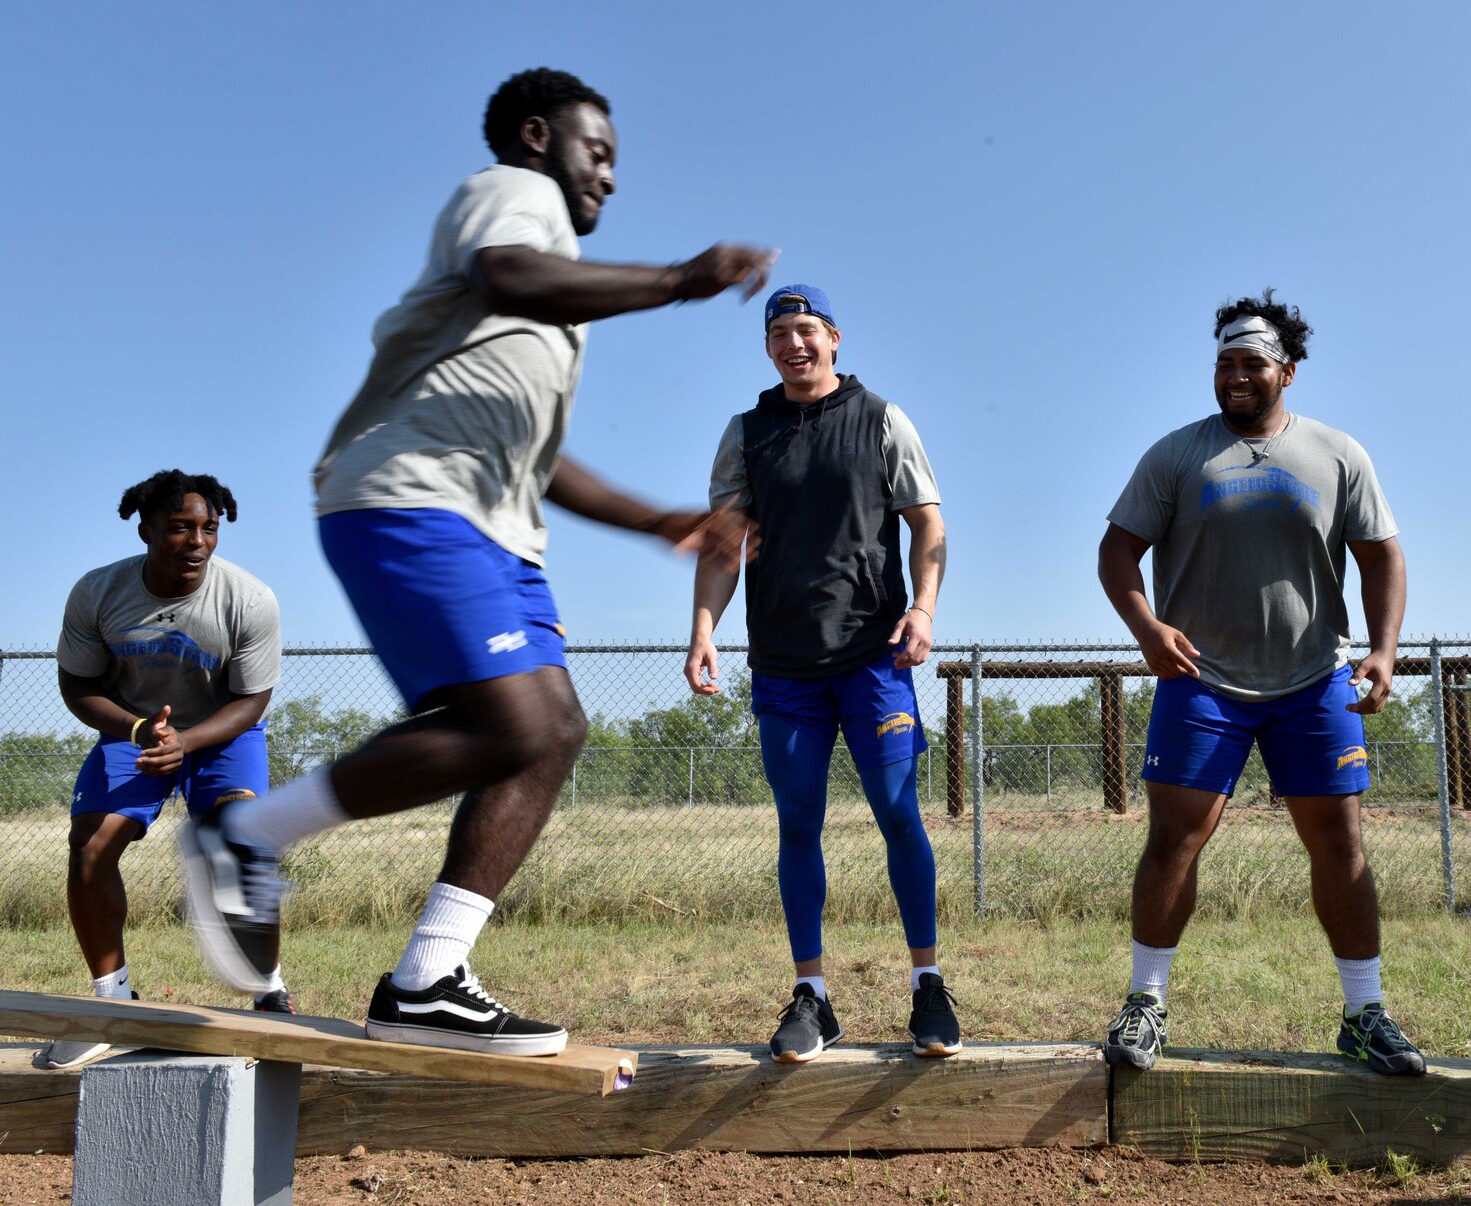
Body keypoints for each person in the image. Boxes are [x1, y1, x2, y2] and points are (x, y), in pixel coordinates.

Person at [179, 68, 772, 1054]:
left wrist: (663, 520)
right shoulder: (513, 194)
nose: (610, 179)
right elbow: (506, 272)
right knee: (510, 719)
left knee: (552, 730)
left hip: (496, 529)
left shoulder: (560, 318)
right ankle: (245, 834)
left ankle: (429, 975)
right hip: (406, 494)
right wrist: (678, 280)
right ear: (539, 136)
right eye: (600, 154)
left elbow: (544, 461)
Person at [1096, 290, 1423, 1076]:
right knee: (1175, 837)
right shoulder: (1177, 455)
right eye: (1224, 364)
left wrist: (1382, 651)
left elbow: (1381, 555)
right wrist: (1148, 629)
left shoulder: (1338, 454)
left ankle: (1366, 1012)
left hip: (1313, 681)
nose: (1235, 377)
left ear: (1288, 371)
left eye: (1252, 364)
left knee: (1339, 843)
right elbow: (1116, 554)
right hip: (1202, 683)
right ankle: (1146, 1004)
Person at [684, 283, 957, 1063]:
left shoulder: (880, 419)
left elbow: (928, 519)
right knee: (797, 823)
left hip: (874, 655)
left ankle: (928, 985)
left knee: (899, 813)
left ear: (834, 337)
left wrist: (925, 610)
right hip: (783, 665)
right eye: (779, 333)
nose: (793, 344)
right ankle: (814, 995)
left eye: (806, 330)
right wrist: (703, 629)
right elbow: (721, 542)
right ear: (768, 347)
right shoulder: (747, 433)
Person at [44, 471, 290, 1069]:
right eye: (181, 527)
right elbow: (77, 684)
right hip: (136, 729)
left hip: (222, 730)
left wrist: (187, 740)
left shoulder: (249, 599)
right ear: (147, 529)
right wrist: (135, 730)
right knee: (91, 846)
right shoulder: (99, 593)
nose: (197, 541)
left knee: (240, 843)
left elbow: (252, 701)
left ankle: (269, 990)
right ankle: (115, 1004)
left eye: (209, 529)